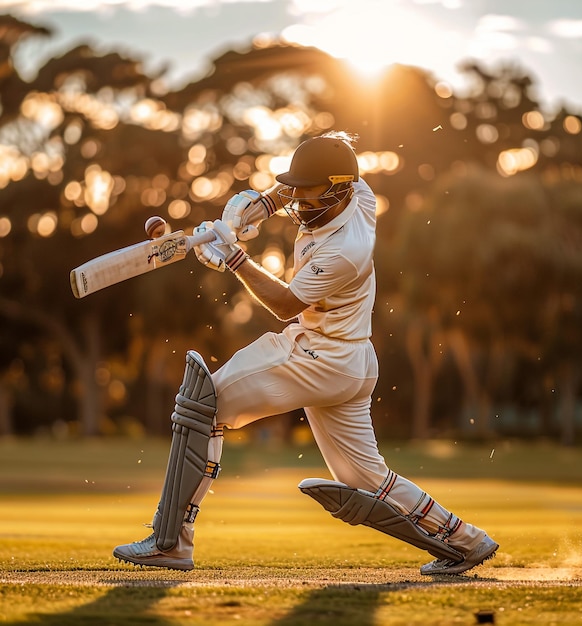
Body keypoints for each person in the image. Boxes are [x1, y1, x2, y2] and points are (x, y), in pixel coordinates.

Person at [113, 131, 498, 576]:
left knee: (204, 403)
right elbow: (294, 188)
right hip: (352, 362)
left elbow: (284, 305)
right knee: (366, 479)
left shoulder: (345, 251)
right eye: (297, 194)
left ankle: (170, 542)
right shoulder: (360, 193)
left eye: (309, 196)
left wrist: (234, 257)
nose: (300, 205)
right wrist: (261, 207)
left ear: (340, 191)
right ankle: (466, 539)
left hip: (320, 356)